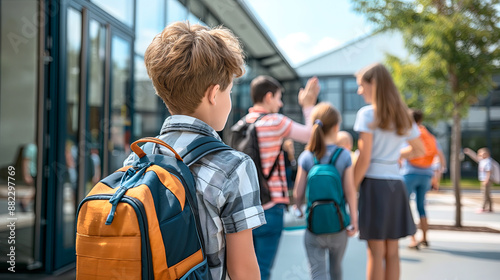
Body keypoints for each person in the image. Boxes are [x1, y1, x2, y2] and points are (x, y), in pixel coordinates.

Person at [124, 21, 264, 280]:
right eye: (229, 91)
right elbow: (243, 269)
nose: (230, 101)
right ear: (213, 94)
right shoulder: (234, 166)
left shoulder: (138, 156)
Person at [353, 63, 425, 280]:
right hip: (396, 186)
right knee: (393, 253)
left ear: (373, 84)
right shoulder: (404, 115)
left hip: (374, 185)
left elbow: (364, 159)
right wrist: (394, 157)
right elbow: (419, 149)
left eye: (361, 85)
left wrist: (350, 188)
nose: (359, 90)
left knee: (374, 252)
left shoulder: (367, 114)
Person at [246, 74, 320, 280]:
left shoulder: (242, 124)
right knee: (263, 269)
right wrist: (309, 105)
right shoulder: (274, 121)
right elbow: (310, 135)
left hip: (245, 209)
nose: (280, 104)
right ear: (268, 97)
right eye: (279, 98)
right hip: (271, 207)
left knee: (243, 271)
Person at [293, 102, 358, 280]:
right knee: (336, 270)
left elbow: (298, 191)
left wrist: (297, 208)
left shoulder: (307, 156)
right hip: (338, 225)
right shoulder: (344, 155)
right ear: (336, 126)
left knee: (317, 273)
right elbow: (350, 191)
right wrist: (353, 220)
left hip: (314, 227)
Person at [400, 109, 443, 249]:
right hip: (427, 174)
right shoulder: (429, 135)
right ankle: (425, 237)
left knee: (405, 206)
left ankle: (413, 239)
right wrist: (437, 176)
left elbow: (402, 154)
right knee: (421, 206)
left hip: (410, 173)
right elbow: (440, 157)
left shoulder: (409, 133)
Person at [463, 147, 494, 213]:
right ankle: (490, 208)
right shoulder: (482, 160)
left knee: (485, 194)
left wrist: (486, 180)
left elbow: (489, 171)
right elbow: (475, 157)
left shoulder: (488, 161)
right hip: (483, 179)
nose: (481, 155)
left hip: (486, 180)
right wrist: (470, 152)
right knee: (487, 194)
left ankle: (483, 207)